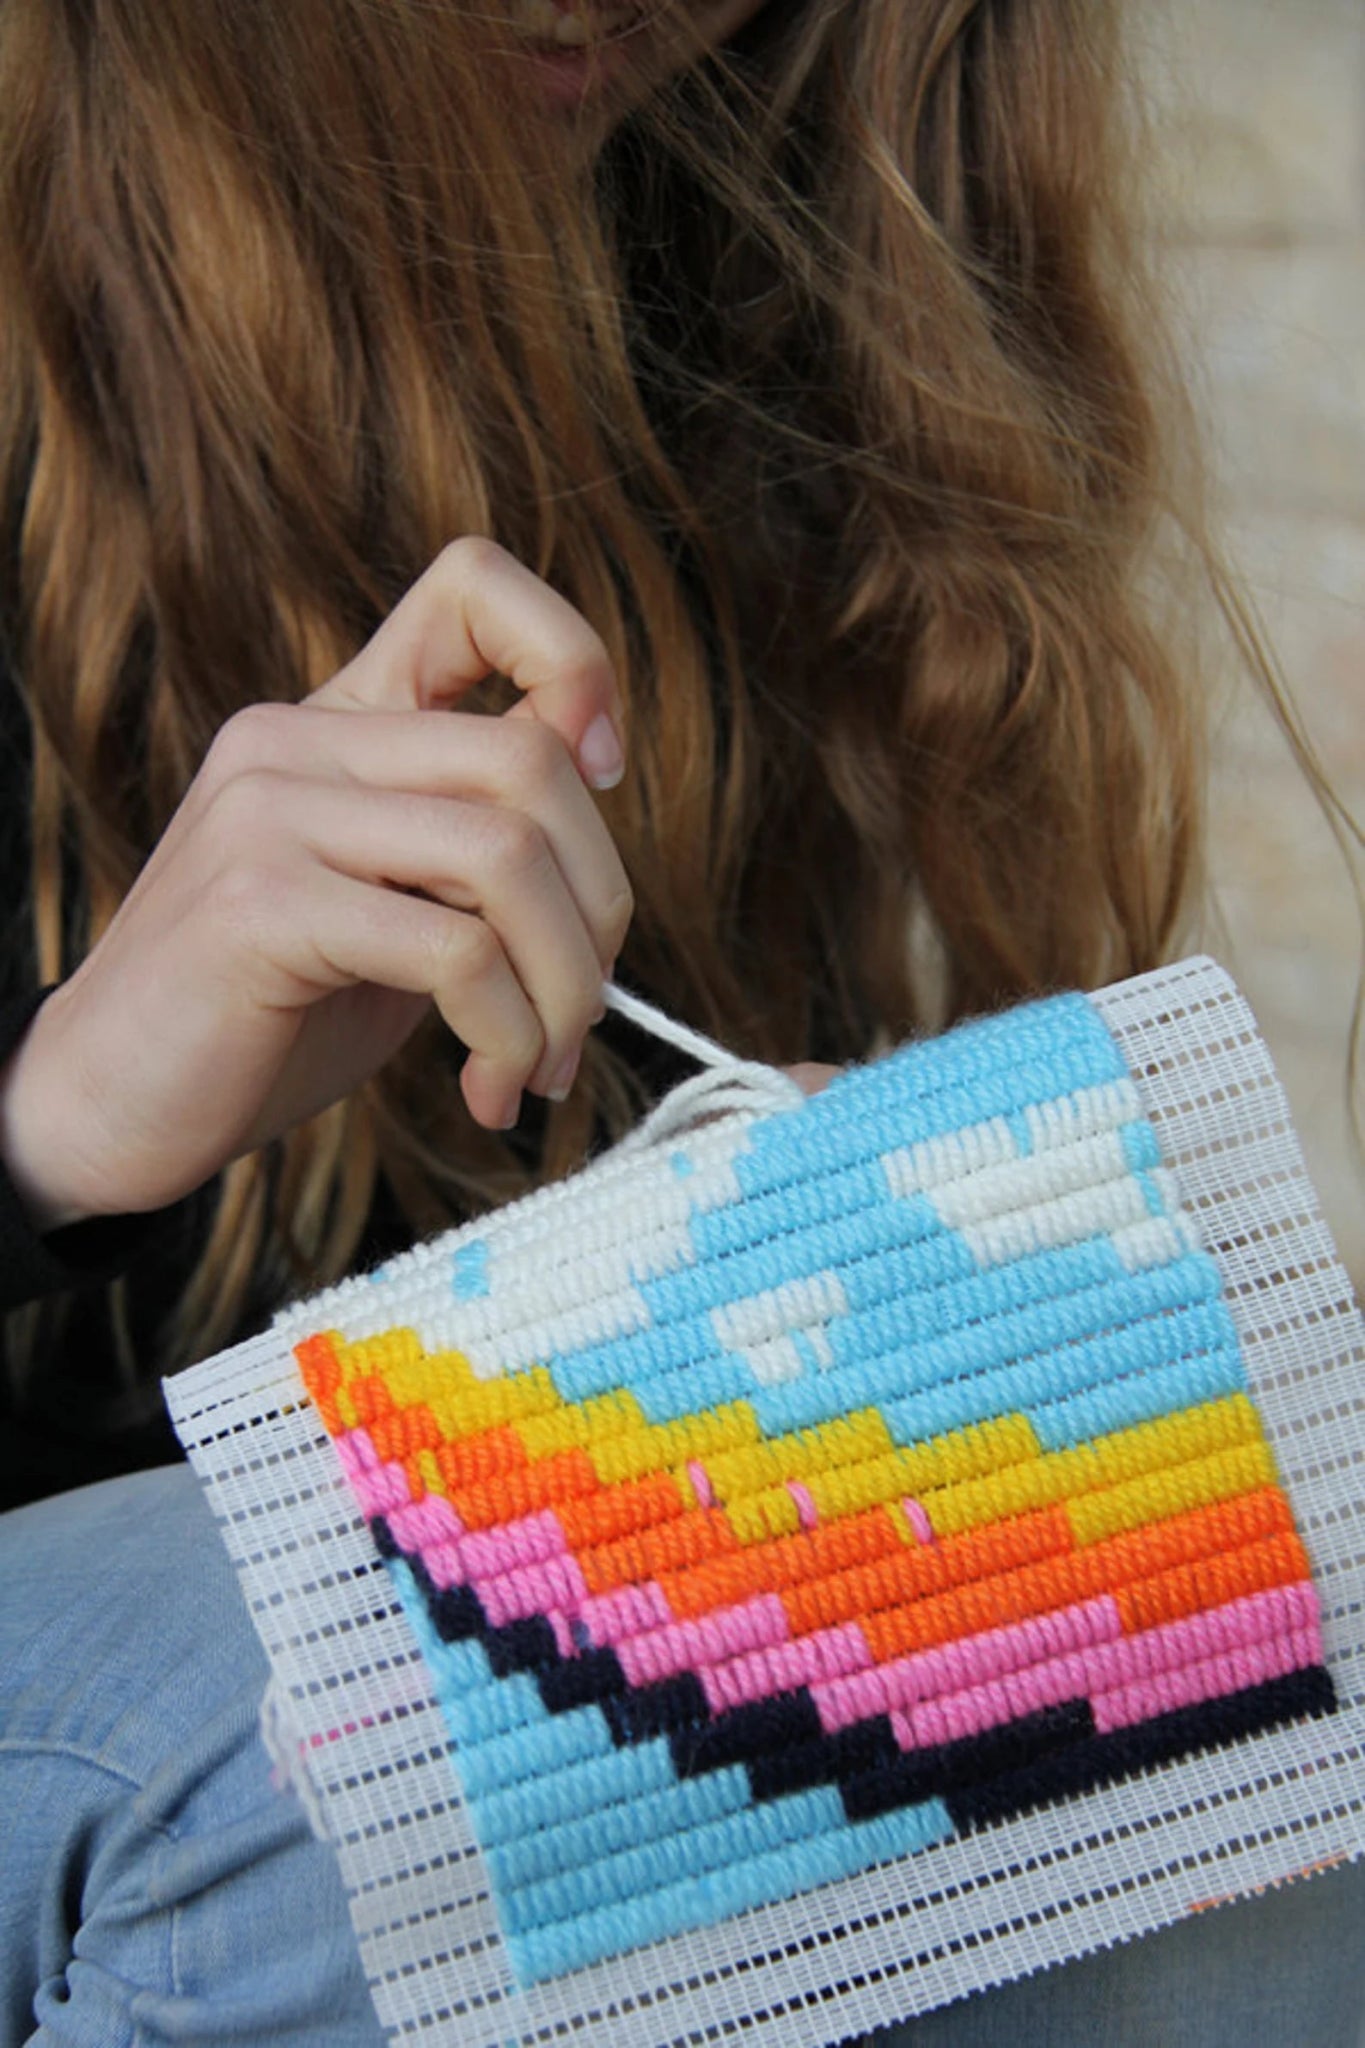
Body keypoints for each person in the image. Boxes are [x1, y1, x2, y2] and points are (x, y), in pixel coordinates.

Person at [0, 1, 1360, 2041]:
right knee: (382, 1730)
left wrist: (815, 1275)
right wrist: (51, 1117)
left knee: (1244, 1667)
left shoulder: (746, 303)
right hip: (210, 1738)